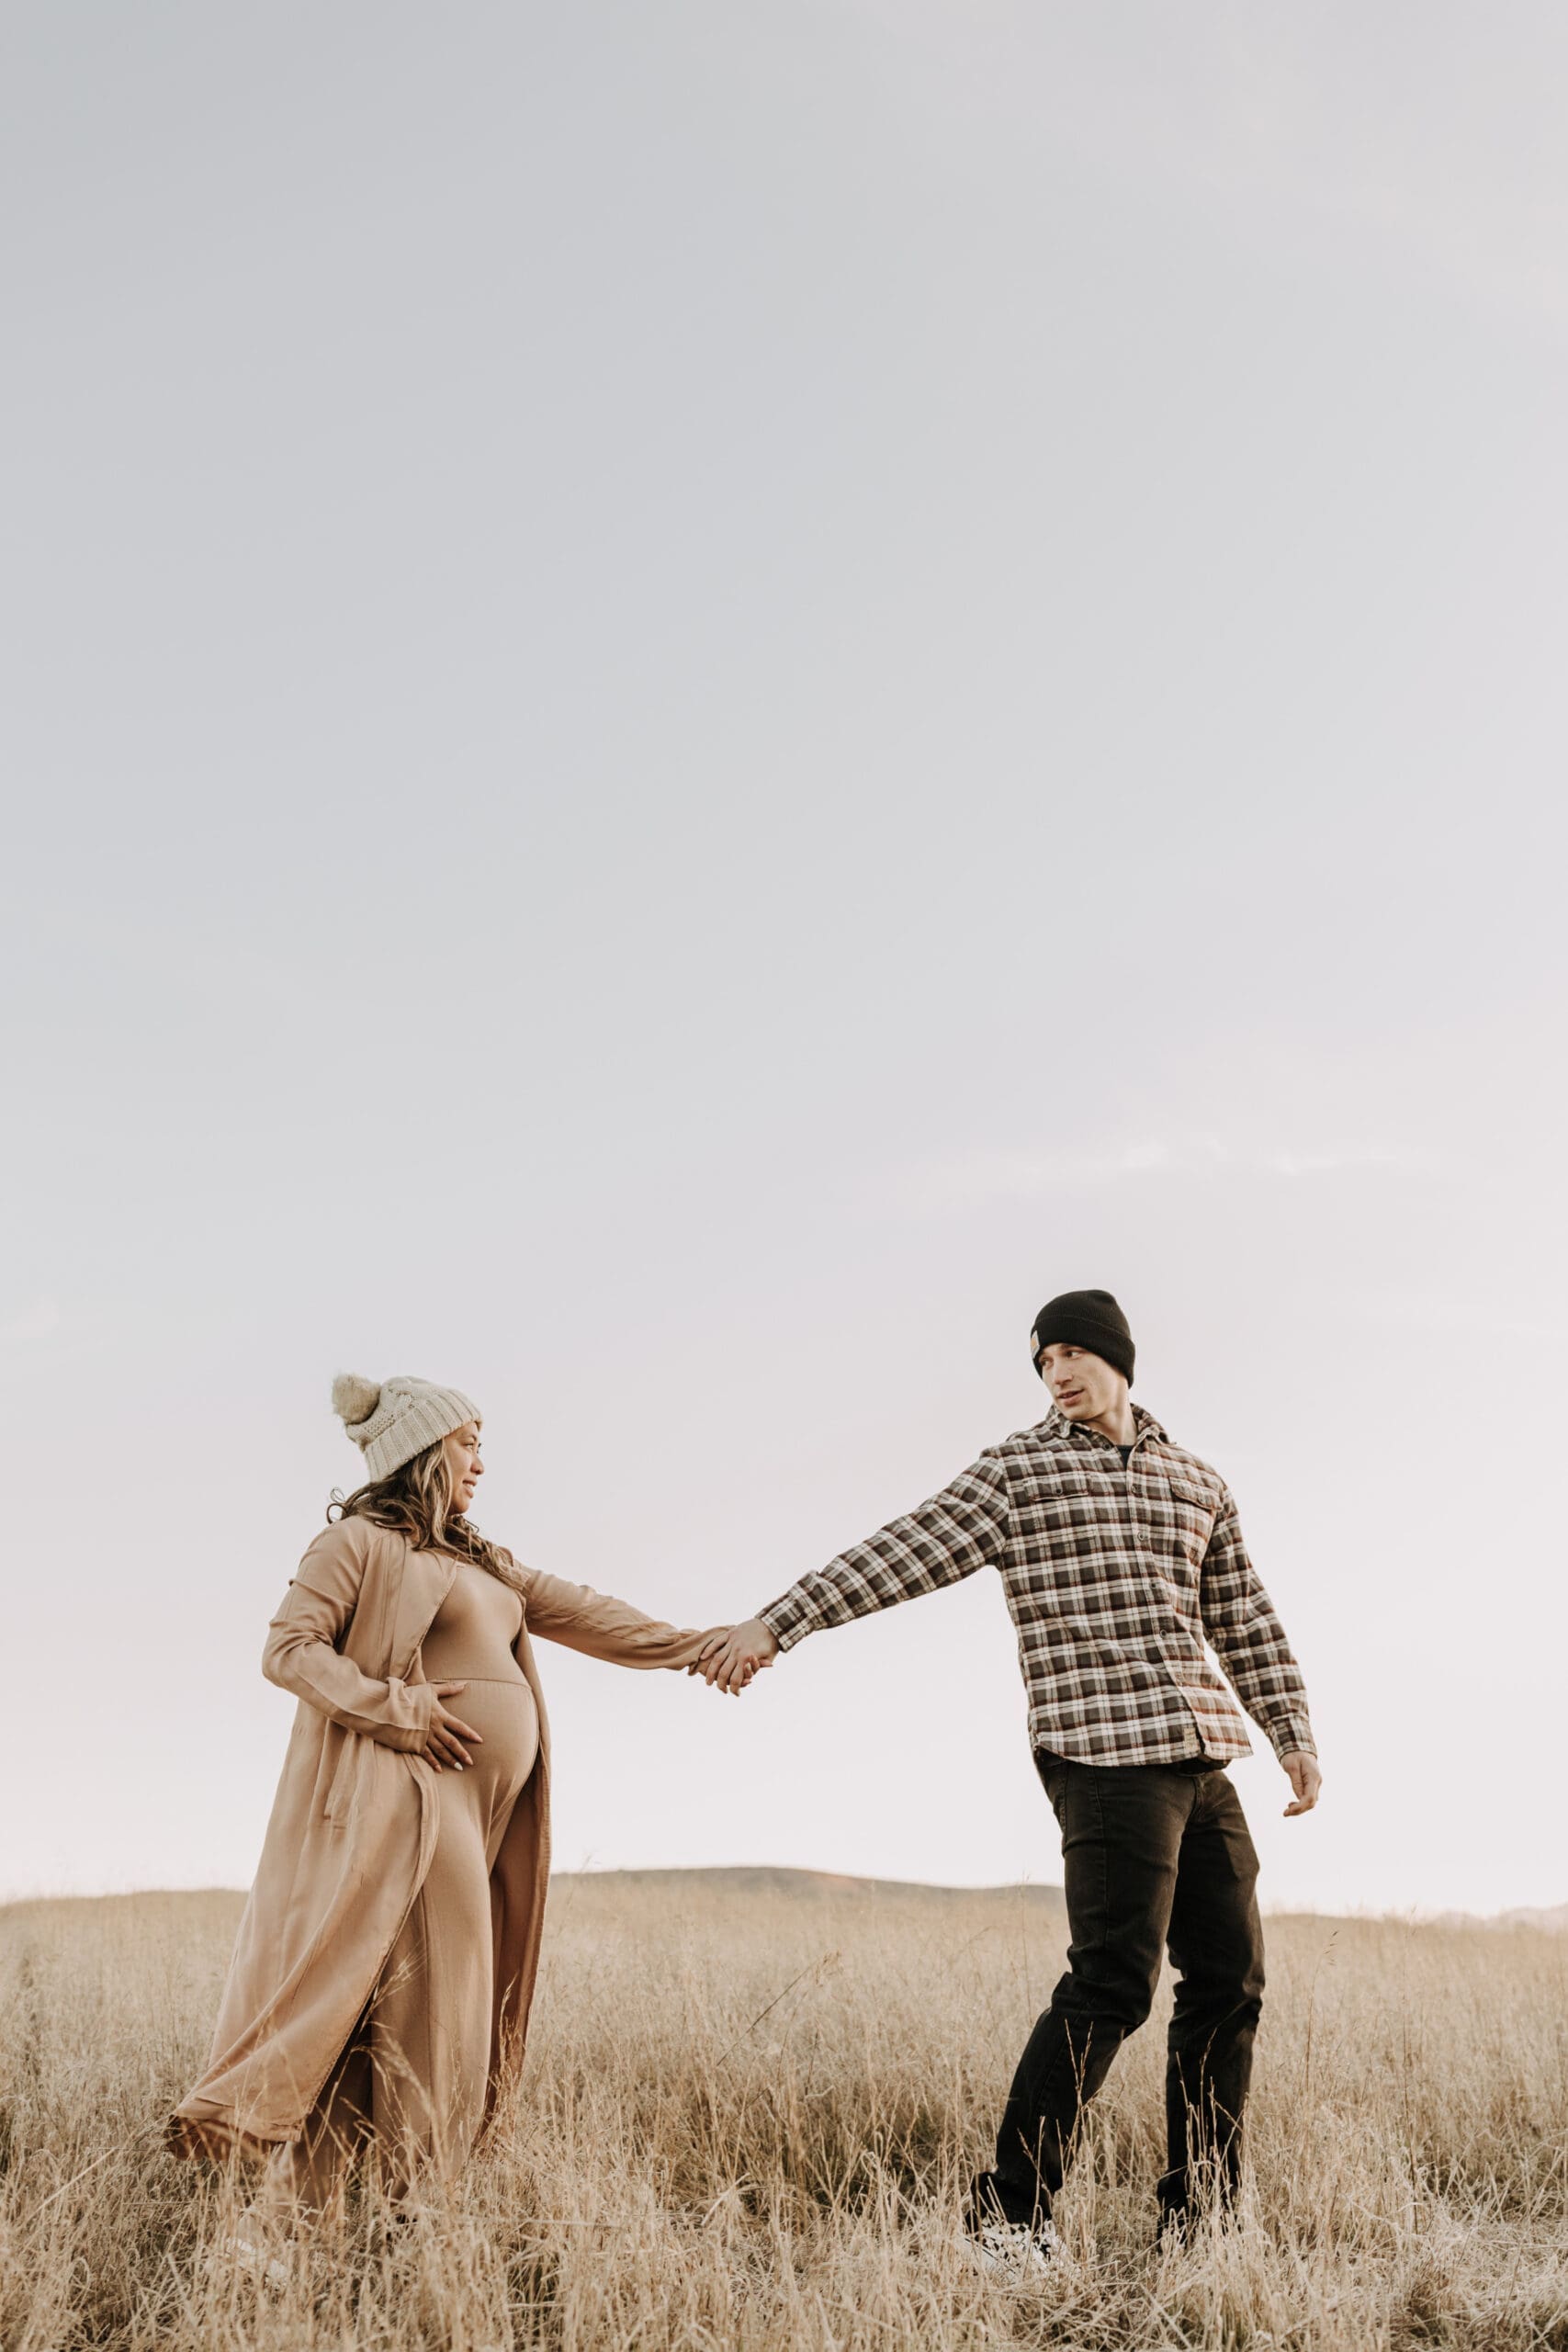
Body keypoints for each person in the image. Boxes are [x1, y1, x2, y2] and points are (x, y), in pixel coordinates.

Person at [698, 1289, 1321, 2276]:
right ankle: (1008, 2218)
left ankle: (1202, 2215)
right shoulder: (1017, 1472)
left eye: (1073, 1352)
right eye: (1042, 1361)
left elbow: (1243, 1613)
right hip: (1101, 1756)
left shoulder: (1195, 1480)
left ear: (1120, 1358)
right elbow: (900, 1550)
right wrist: (780, 1621)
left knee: (1230, 1982)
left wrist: (1290, 1730)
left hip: (1203, 1754)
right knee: (1112, 1983)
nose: (1057, 1373)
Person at [169, 1372, 726, 2245]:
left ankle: (332, 2230)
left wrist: (702, 1647)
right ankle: (402, 2223)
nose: (480, 1460)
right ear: (422, 1451)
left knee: (413, 2009)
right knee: (439, 2013)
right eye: (468, 1441)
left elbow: (588, 1612)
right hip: (413, 1808)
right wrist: (398, 1708)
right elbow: (288, 1649)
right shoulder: (355, 1542)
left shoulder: (483, 1560)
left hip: (483, 1816)